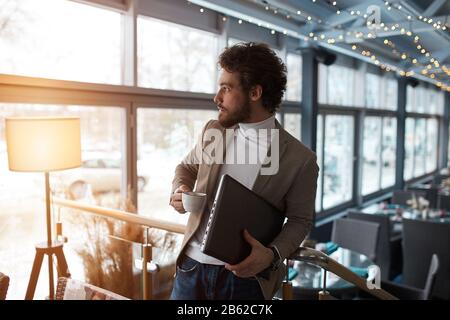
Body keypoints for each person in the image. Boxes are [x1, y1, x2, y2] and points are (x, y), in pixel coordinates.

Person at [169, 42, 318, 300]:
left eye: (226, 88)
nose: (217, 98)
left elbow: (300, 221)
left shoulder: (300, 160)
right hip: (190, 270)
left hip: (245, 281)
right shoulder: (213, 131)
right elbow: (185, 167)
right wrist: (180, 189)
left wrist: (272, 255)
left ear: (255, 93)